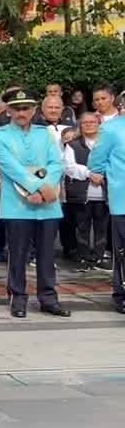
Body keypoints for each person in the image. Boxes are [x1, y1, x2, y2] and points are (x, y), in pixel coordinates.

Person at [0, 88, 70, 318]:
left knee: (47, 255)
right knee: (18, 254)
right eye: (16, 108)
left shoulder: (45, 134)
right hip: (17, 204)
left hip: (48, 203)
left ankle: (48, 298)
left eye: (26, 108)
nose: (21, 113)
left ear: (34, 110)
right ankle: (18, 297)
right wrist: (36, 188)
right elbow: (10, 166)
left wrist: (46, 188)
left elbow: (57, 163)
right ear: (8, 111)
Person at [87, 112, 125, 314]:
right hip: (123, 199)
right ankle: (122, 294)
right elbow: (96, 162)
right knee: (123, 252)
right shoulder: (111, 128)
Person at [65, 111, 111, 270]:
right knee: (82, 227)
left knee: (101, 228)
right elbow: (69, 167)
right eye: (85, 122)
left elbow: (115, 162)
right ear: (80, 125)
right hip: (82, 194)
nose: (89, 124)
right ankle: (83, 258)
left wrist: (102, 173)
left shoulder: (107, 144)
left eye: (93, 122)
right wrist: (90, 174)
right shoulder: (72, 145)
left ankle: (99, 258)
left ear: (99, 124)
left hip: (104, 194)